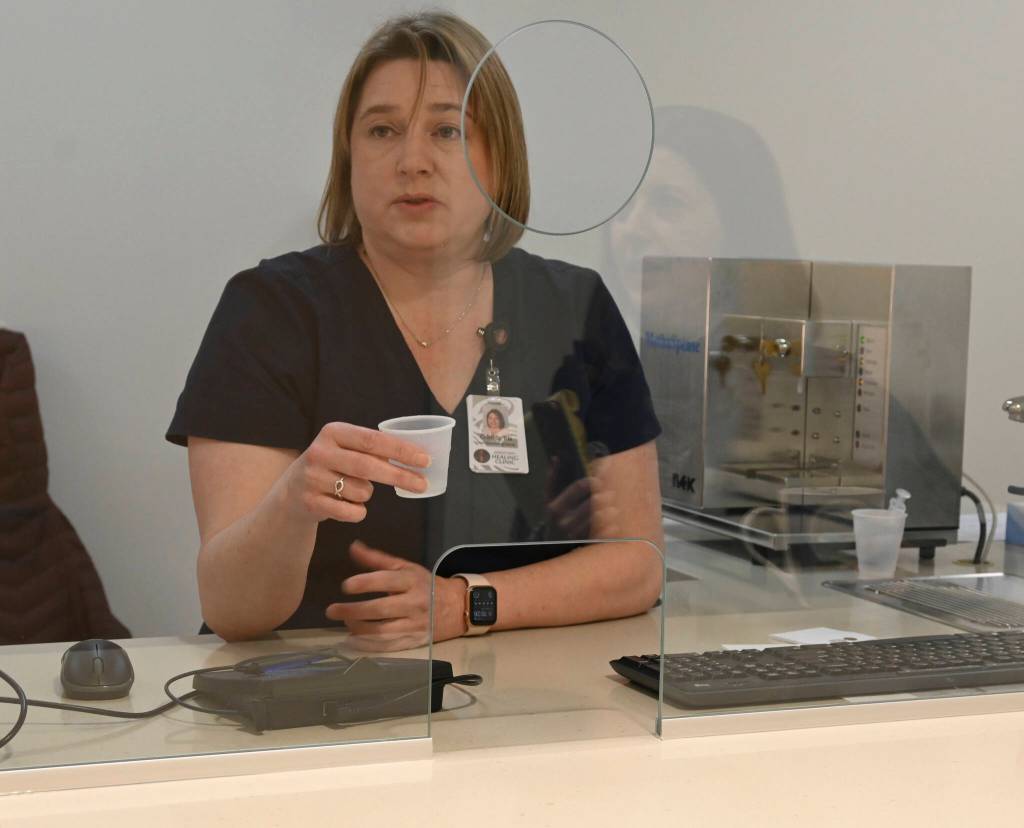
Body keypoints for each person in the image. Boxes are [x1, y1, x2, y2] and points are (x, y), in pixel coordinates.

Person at [166, 11, 663, 647]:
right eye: (382, 130)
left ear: (501, 158)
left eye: (447, 131)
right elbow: (231, 609)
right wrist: (292, 505)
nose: (412, 161)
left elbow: (639, 562)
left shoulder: (574, 308)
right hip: (314, 682)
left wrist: (466, 604)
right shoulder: (270, 310)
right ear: (349, 158)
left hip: (525, 683)